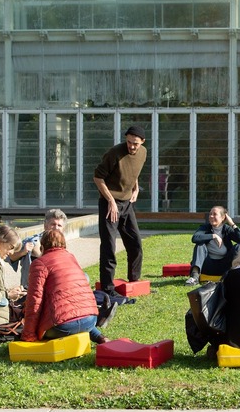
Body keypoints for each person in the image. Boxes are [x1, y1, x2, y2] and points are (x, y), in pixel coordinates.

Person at [93, 126, 148, 302]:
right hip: (110, 203)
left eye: (136, 144)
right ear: (126, 139)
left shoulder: (143, 152)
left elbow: (134, 172)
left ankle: (134, 281)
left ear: (142, 143)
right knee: (109, 246)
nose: (132, 147)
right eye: (129, 142)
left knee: (135, 243)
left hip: (127, 203)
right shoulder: (114, 153)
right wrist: (110, 201)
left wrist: (136, 188)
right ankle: (108, 289)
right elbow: (98, 177)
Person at [20, 230, 105, 344]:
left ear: (42, 247)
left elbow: (34, 301)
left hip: (62, 327)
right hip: (90, 319)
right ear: (64, 245)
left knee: (65, 318)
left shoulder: (39, 263)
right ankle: (101, 338)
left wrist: (28, 334)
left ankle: (95, 335)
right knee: (76, 315)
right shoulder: (71, 257)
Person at [185, 206, 240, 285]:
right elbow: (195, 238)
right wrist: (213, 236)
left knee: (238, 247)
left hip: (224, 266)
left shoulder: (227, 229)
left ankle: (237, 276)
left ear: (223, 217)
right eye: (210, 214)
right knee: (200, 245)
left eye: (215, 214)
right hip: (208, 265)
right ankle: (194, 277)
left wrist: (232, 223)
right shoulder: (205, 228)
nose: (211, 216)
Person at [8, 208, 67, 286]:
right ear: (45, 225)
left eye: (59, 225)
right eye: (53, 224)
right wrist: (23, 252)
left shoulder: (63, 245)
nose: (56, 228)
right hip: (32, 286)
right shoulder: (32, 241)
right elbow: (11, 257)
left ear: (63, 228)